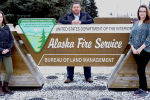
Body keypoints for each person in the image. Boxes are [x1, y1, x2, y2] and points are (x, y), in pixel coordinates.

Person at [59, 2, 94, 83]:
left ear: (80, 8)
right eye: (74, 7)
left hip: (84, 40)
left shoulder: (85, 15)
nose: (76, 8)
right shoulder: (68, 15)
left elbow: (91, 20)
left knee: (86, 58)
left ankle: (88, 77)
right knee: (70, 58)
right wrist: (71, 22)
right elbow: (61, 20)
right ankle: (69, 77)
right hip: (72, 40)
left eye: (77, 7)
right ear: (72, 9)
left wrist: (81, 22)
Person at [130, 5, 150, 98]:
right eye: (140, 11)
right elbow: (131, 37)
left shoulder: (149, 23)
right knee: (140, 70)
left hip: (145, 50)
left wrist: (140, 49)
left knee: (140, 69)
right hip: (135, 51)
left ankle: (145, 90)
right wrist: (133, 48)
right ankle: (141, 88)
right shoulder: (135, 23)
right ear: (138, 12)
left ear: (147, 12)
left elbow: (149, 38)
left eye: (144, 11)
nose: (142, 13)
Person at [0, 11, 14, 95]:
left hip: (6, 52)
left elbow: (11, 40)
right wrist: (1, 50)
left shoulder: (6, 27)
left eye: (1, 17)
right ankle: (0, 89)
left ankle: (5, 87)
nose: (0, 19)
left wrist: (8, 49)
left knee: (10, 70)